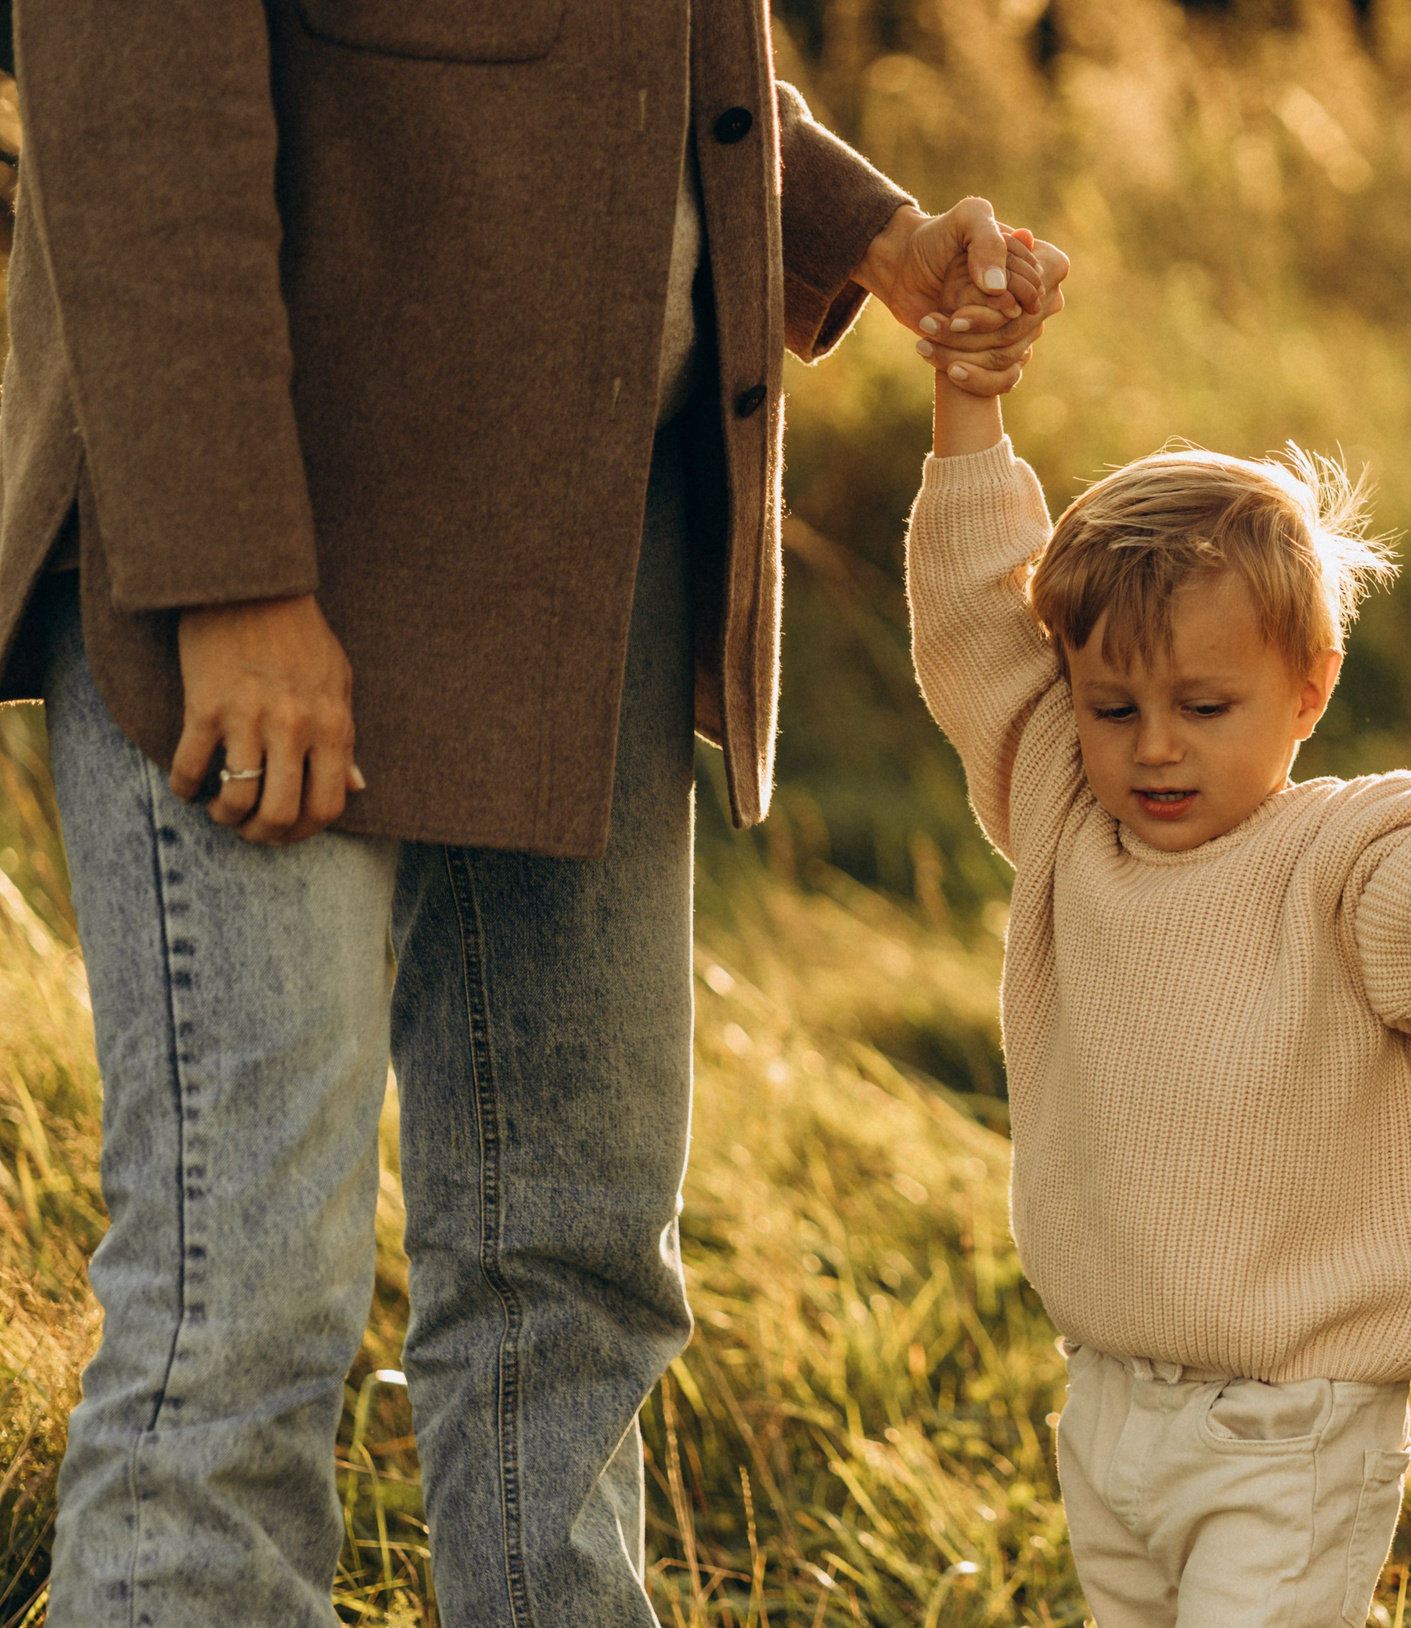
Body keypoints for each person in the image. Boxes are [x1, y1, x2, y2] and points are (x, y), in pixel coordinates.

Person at [0, 6, 1062, 1623]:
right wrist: (230, 575)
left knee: (570, 1278)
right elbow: (133, 85)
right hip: (264, 535)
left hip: (585, 538)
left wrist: (869, 236)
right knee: (248, 1312)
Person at [900, 329, 1411, 1623]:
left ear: (1310, 685)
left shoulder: (1350, 867)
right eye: (1114, 708)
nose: (1153, 749)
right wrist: (969, 401)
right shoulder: (1061, 814)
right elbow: (971, 625)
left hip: (1291, 1430)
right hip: (1107, 1408)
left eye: (1205, 709)